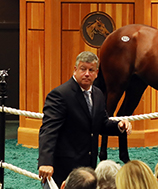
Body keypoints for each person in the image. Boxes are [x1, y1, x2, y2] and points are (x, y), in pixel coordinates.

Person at [38, 51, 132, 188]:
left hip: (88, 169)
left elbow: (101, 124)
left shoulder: (98, 94)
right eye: (83, 69)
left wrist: (119, 126)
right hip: (63, 170)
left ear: (97, 73)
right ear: (75, 70)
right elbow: (48, 130)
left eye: (91, 70)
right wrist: (45, 162)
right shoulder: (60, 95)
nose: (87, 73)